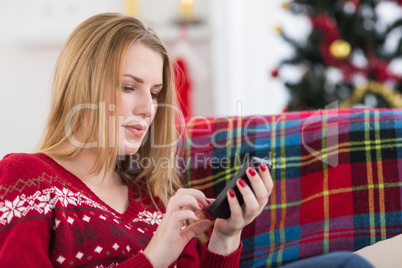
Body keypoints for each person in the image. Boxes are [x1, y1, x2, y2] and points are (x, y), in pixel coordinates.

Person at [0, 12, 375, 268]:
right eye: (129, 86)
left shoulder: (152, 197)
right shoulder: (25, 177)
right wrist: (153, 258)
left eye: (156, 92)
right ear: (82, 85)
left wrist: (226, 236)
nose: (149, 108)